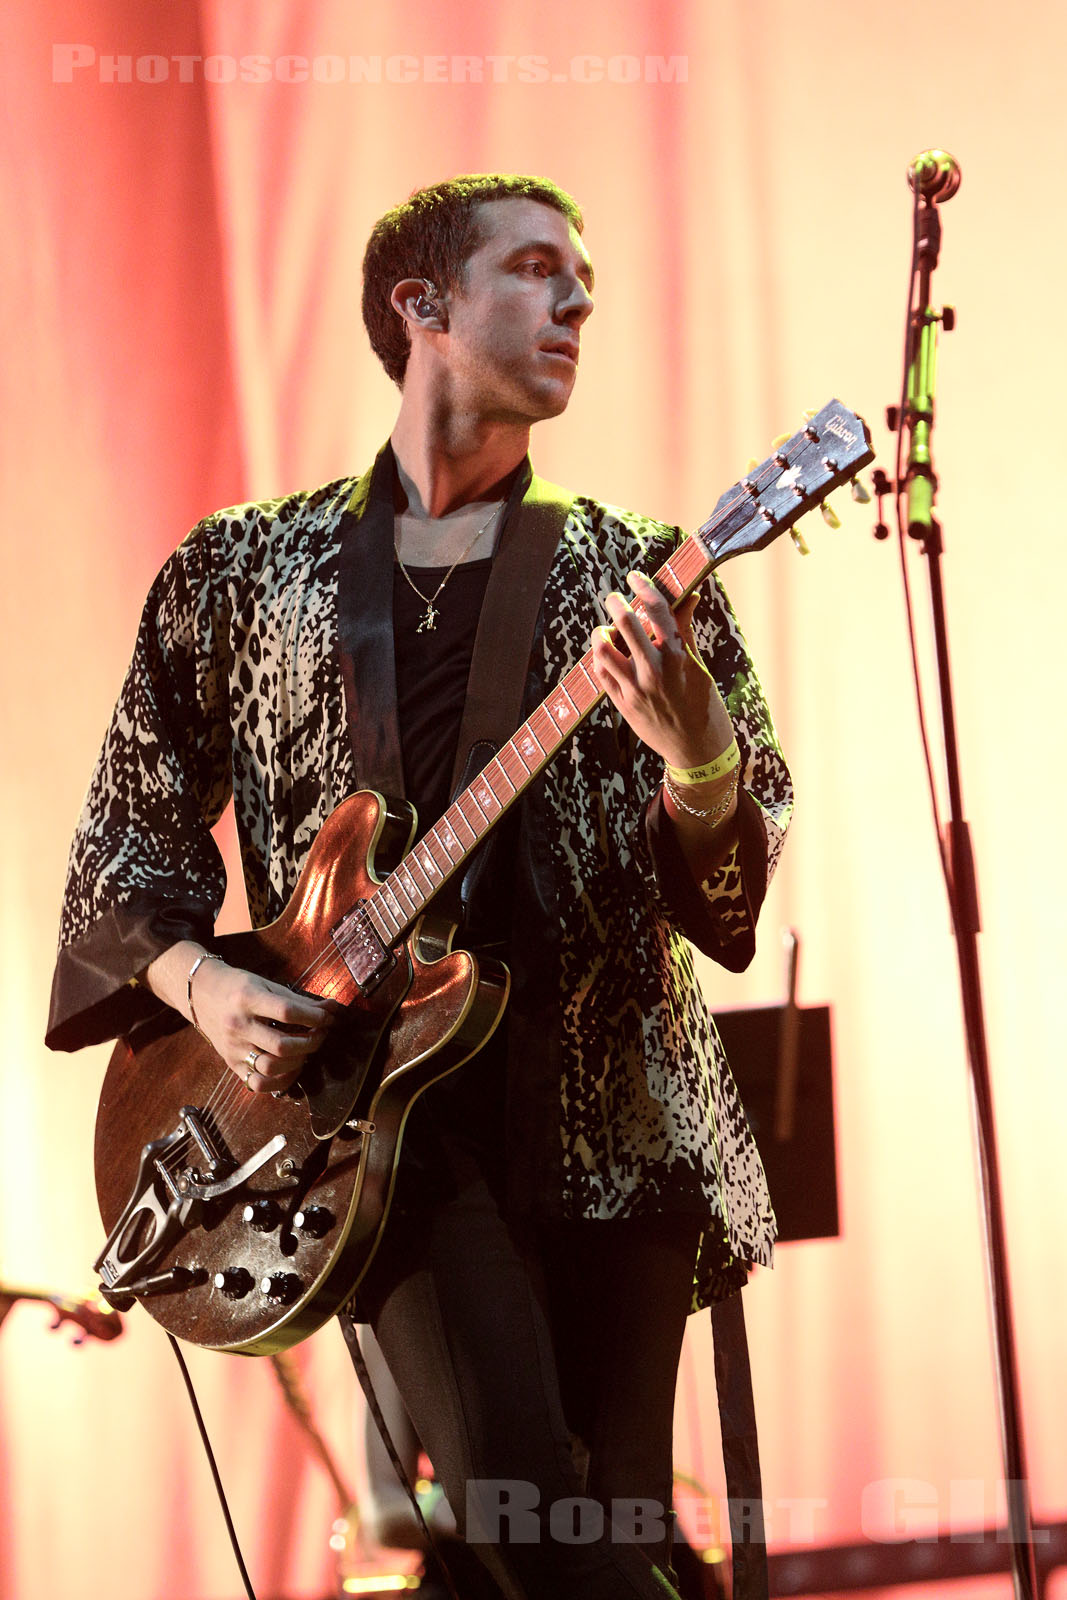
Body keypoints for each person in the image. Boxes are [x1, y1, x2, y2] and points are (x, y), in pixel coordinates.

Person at [47, 174, 792, 1599]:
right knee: (527, 1519)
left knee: (609, 1539)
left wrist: (702, 766)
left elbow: (732, 891)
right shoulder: (237, 570)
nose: (579, 300)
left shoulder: (636, 573)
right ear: (423, 305)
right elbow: (121, 853)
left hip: (617, 1131)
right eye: (536, 270)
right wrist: (207, 986)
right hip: (375, 1139)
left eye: (589, 279)